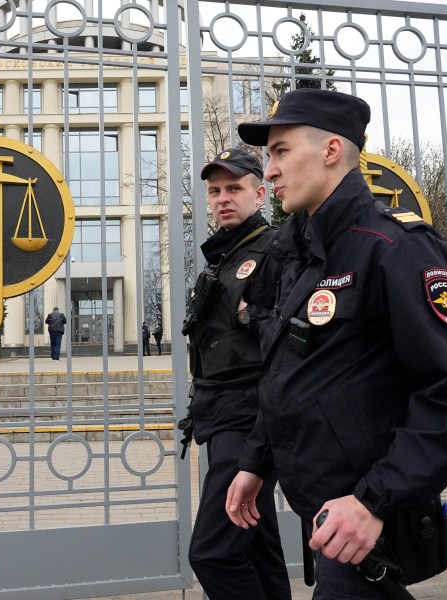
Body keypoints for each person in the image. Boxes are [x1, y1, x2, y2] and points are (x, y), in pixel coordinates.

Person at [225, 88, 447, 599]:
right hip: (328, 512)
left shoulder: (396, 249)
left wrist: (373, 501)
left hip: (367, 515)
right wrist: (256, 462)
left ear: (330, 151)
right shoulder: (299, 253)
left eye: (281, 152)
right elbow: (288, 371)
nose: (271, 171)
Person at [181, 148, 291, 600]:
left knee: (213, 553)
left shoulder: (278, 249)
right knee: (256, 543)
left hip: (248, 417)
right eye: (215, 191)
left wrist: (255, 317)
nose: (223, 198)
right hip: (222, 412)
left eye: (234, 189)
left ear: (260, 193)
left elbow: (295, 332)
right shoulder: (225, 255)